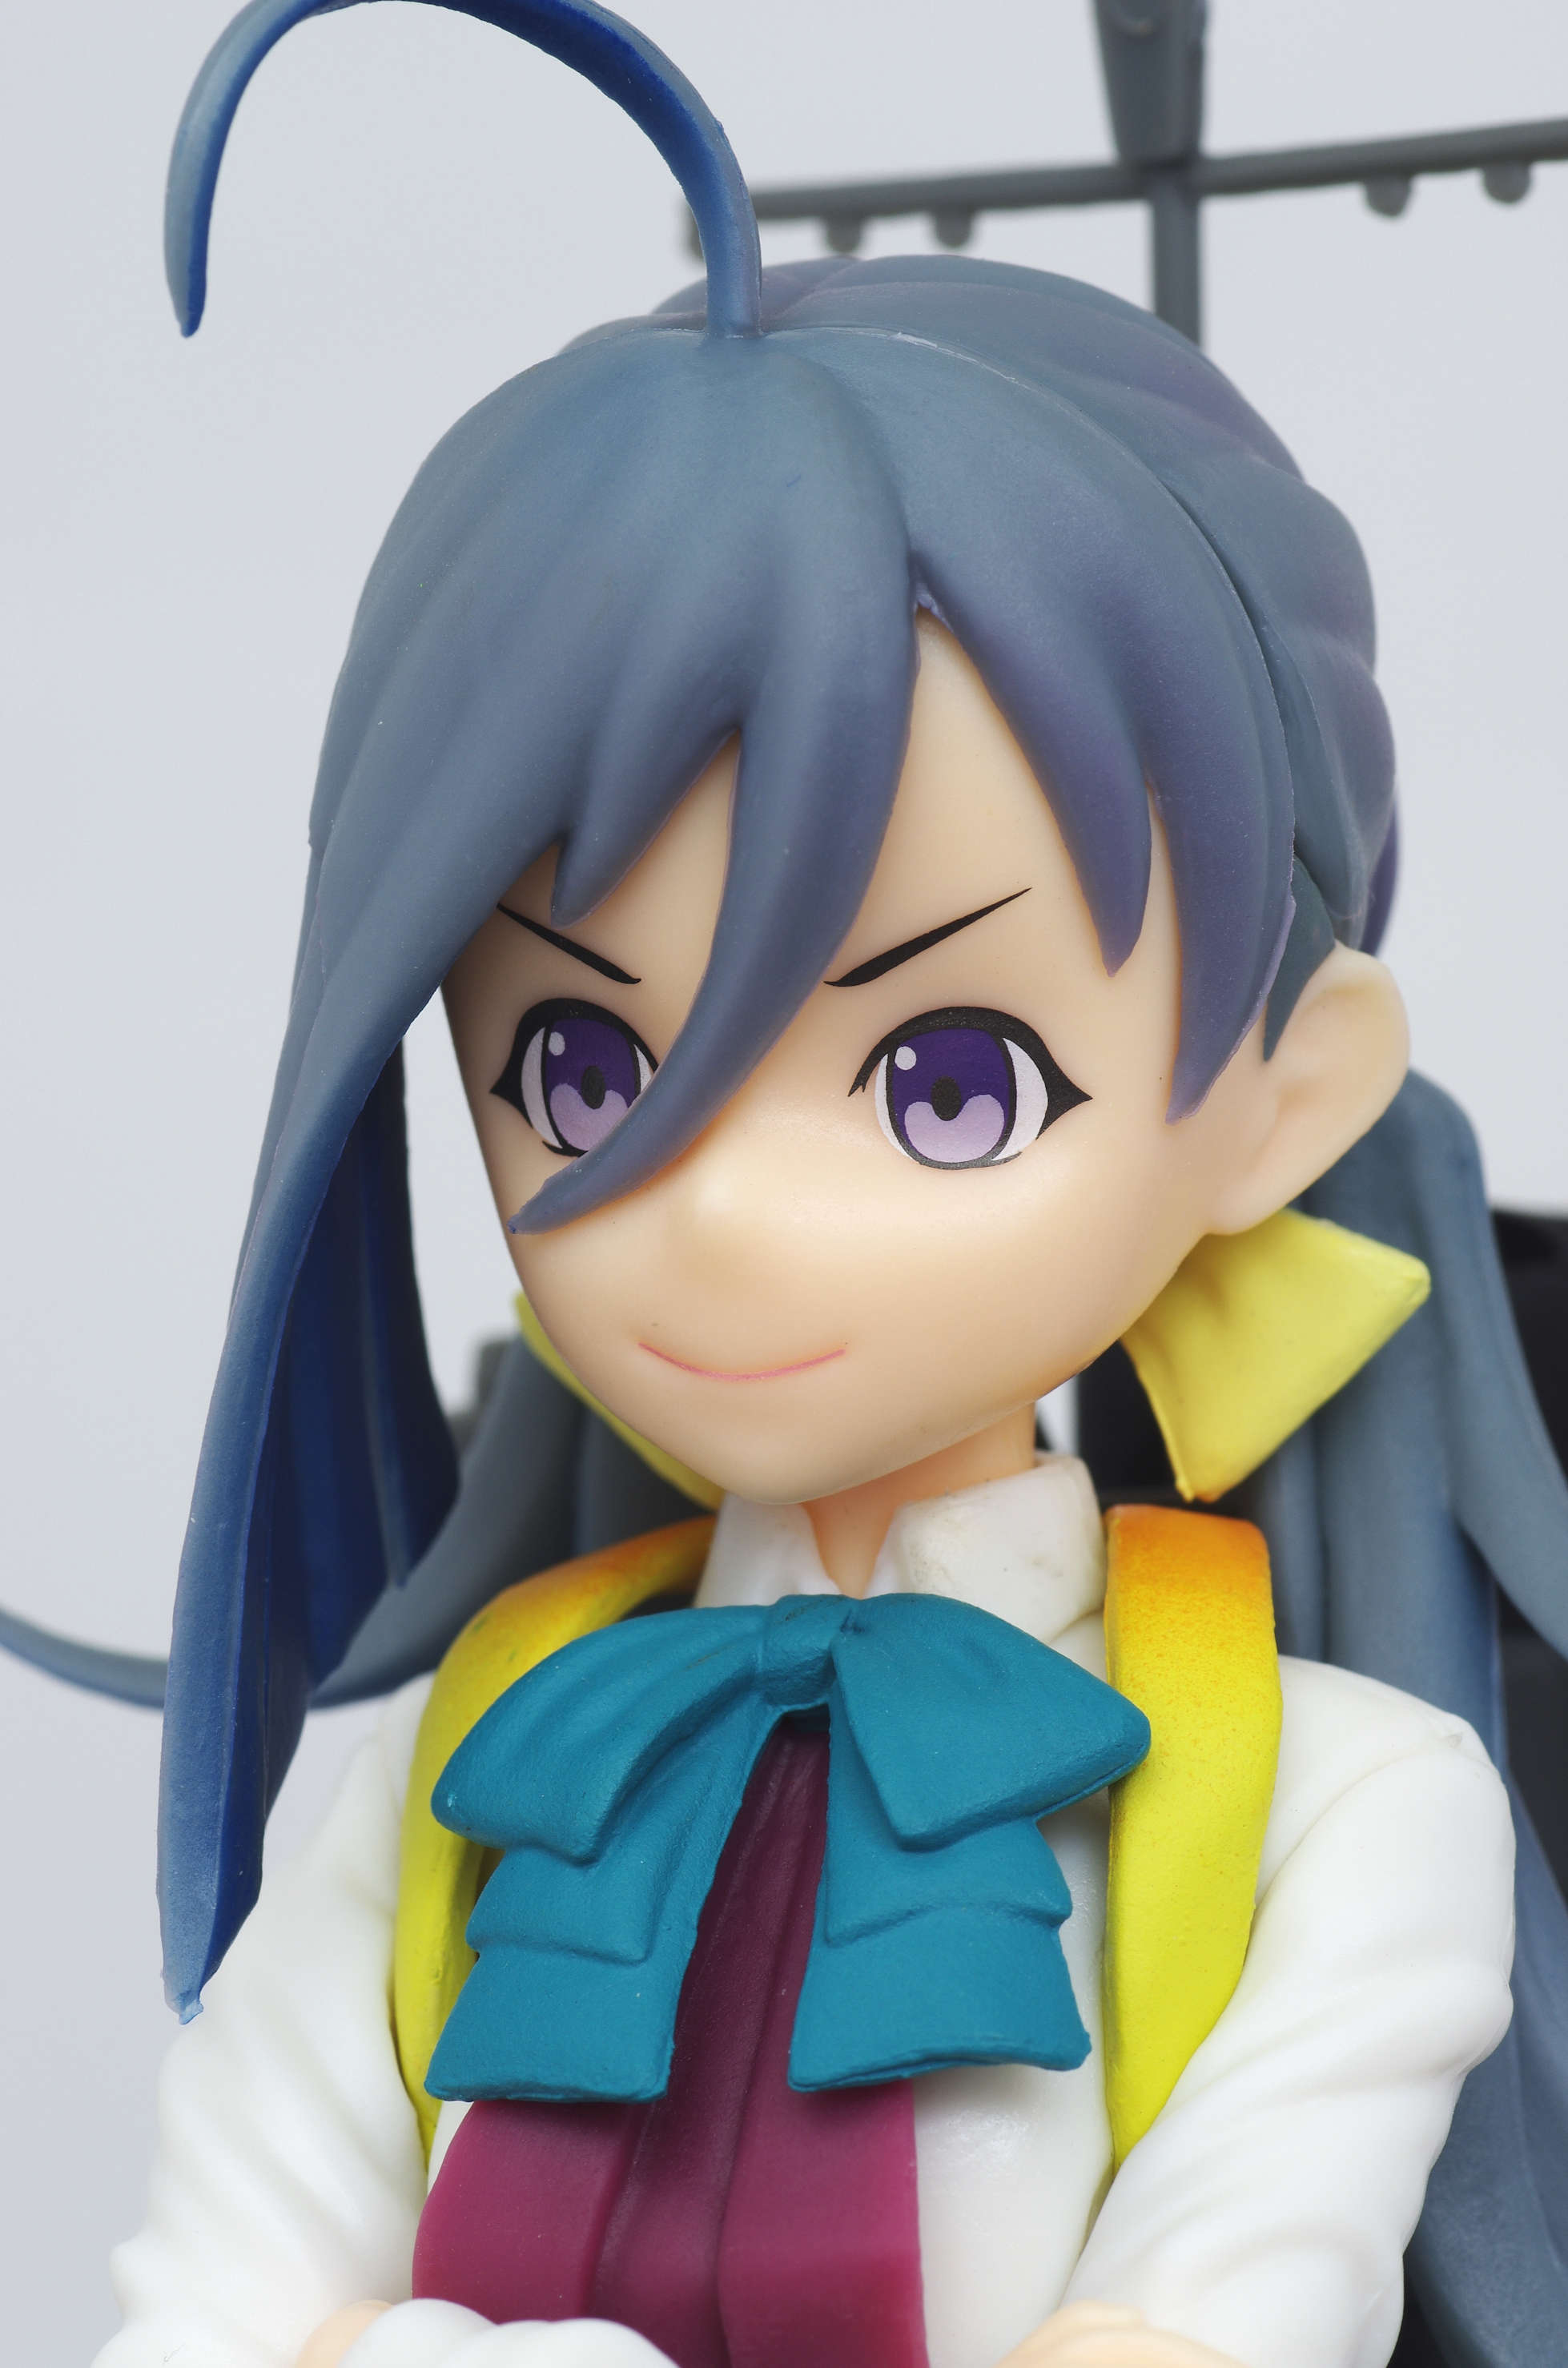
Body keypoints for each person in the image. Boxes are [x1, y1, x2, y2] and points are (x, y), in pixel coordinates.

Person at [10, 2, 1567, 2365]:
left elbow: (1212, 2325)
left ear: (1286, 1094)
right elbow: (204, 2320)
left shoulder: (1335, 1807)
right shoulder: (447, 1788)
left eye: (949, 1079)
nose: (717, 1206)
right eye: (579, 1066)